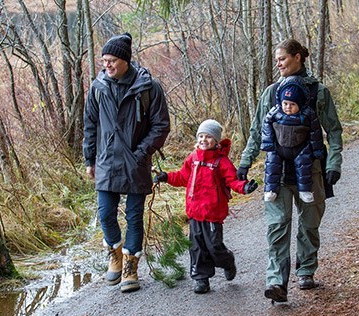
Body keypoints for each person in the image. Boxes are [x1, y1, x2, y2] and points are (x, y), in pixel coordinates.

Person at [237, 39, 343, 303]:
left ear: (298, 57)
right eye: (276, 60)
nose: (278, 63)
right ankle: (276, 281)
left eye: (282, 58)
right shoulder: (271, 93)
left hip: (312, 172)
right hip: (277, 173)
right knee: (277, 225)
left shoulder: (319, 92)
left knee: (309, 224)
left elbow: (334, 130)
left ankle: (306, 270)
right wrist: (244, 163)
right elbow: (255, 132)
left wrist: (334, 164)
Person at [83, 32, 171, 293]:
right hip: (107, 161)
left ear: (124, 60)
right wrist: (90, 158)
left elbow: (161, 125)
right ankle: (115, 253)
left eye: (111, 60)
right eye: (104, 61)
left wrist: (142, 152)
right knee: (105, 214)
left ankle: (131, 266)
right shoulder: (98, 87)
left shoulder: (148, 87)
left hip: (136, 162)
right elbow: (90, 125)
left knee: (134, 217)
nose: (106, 65)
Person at [153, 119, 258, 294]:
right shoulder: (193, 159)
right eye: (201, 136)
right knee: (197, 246)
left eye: (208, 137)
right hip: (194, 211)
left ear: (216, 141)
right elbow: (182, 177)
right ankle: (201, 279)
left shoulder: (221, 162)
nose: (203, 140)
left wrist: (245, 187)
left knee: (214, 247)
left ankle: (227, 261)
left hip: (213, 212)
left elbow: (233, 180)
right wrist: (166, 177)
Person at [261, 75, 325, 204]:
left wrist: (317, 150)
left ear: (300, 104)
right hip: (279, 147)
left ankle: (305, 190)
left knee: (304, 165)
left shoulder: (307, 114)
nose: (288, 107)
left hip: (300, 147)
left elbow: (315, 132)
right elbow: (266, 125)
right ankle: (270, 190)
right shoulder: (275, 112)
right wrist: (267, 142)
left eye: (292, 104)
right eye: (285, 103)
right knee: (272, 164)